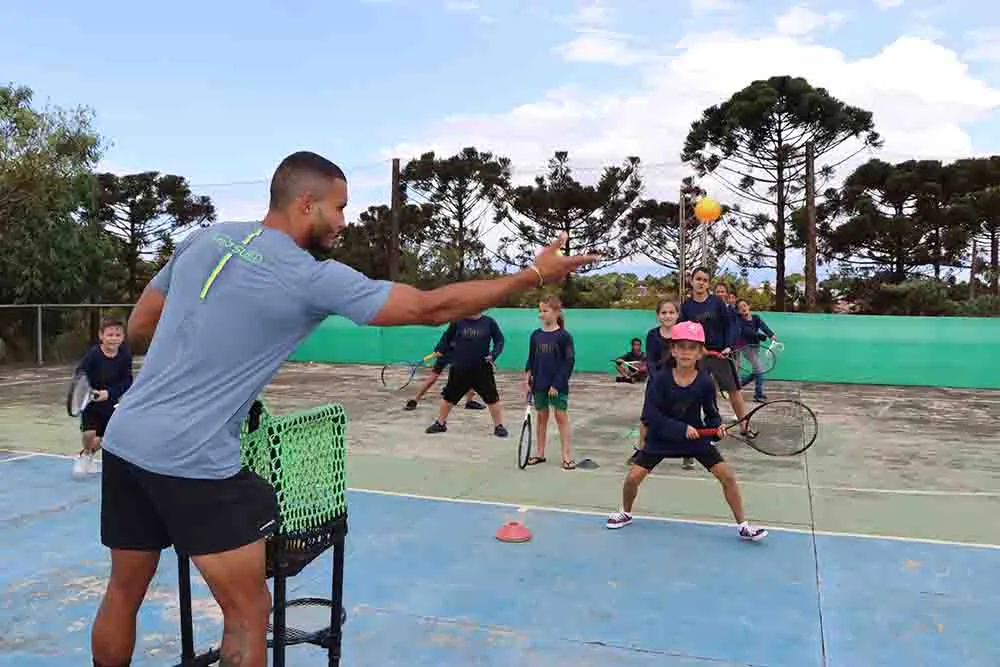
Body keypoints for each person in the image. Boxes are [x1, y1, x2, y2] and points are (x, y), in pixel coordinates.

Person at [88, 150, 598, 667]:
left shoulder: (207, 237)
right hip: (192, 459)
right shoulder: (311, 277)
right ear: (307, 204)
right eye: (340, 208)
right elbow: (429, 307)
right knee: (248, 612)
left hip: (127, 438)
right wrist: (532, 274)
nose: (345, 222)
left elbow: (141, 325)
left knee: (124, 590)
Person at [605, 321, 768, 541]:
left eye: (692, 347)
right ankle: (625, 512)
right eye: (681, 346)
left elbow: (711, 413)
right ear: (673, 350)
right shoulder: (659, 380)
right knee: (632, 478)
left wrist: (716, 427)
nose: (686, 352)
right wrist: (681, 428)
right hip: (661, 438)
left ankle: (744, 526)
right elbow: (650, 416)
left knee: (727, 476)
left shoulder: (705, 382)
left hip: (695, 439)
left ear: (701, 353)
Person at [680, 267, 753, 436]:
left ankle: (745, 427)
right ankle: (698, 429)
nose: (701, 283)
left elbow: (729, 326)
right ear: (691, 281)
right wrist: (699, 348)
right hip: (698, 356)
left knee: (734, 390)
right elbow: (685, 330)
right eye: (698, 279)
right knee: (697, 393)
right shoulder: (687, 306)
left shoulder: (717, 302)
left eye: (705, 280)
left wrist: (728, 346)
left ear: (708, 284)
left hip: (721, 354)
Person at [424, 311, 507, 436]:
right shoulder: (457, 321)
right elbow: (446, 338)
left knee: (492, 399)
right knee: (448, 397)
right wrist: (440, 349)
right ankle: (440, 423)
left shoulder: (489, 322)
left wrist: (493, 354)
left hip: (482, 369)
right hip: (459, 368)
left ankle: (499, 426)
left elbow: (499, 341)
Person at [72, 317, 133, 478]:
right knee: (89, 434)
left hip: (111, 402)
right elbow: (80, 374)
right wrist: (88, 392)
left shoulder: (125, 355)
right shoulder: (93, 355)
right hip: (90, 401)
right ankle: (85, 455)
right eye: (110, 335)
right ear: (101, 336)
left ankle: (89, 454)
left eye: (117, 335)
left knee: (105, 437)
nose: (113, 338)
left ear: (123, 337)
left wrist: (109, 394)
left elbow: (127, 380)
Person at [522, 296, 576, 469]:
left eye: (545, 310)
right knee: (541, 417)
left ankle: (567, 456)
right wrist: (527, 378)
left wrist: (557, 384)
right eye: (540, 310)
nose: (541, 314)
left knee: (561, 417)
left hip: (556, 386)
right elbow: (531, 359)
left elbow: (568, 362)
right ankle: (539, 453)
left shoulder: (564, 336)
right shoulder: (535, 336)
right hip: (538, 384)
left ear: (556, 312)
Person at [734, 299, 777, 403]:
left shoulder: (756, 318)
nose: (743, 308)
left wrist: (771, 335)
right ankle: (758, 394)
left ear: (749, 306)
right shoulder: (739, 321)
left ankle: (737, 385)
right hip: (745, 347)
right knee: (759, 369)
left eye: (744, 305)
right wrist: (761, 336)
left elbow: (763, 326)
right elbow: (748, 332)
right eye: (740, 308)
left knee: (756, 372)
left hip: (755, 347)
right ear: (738, 311)